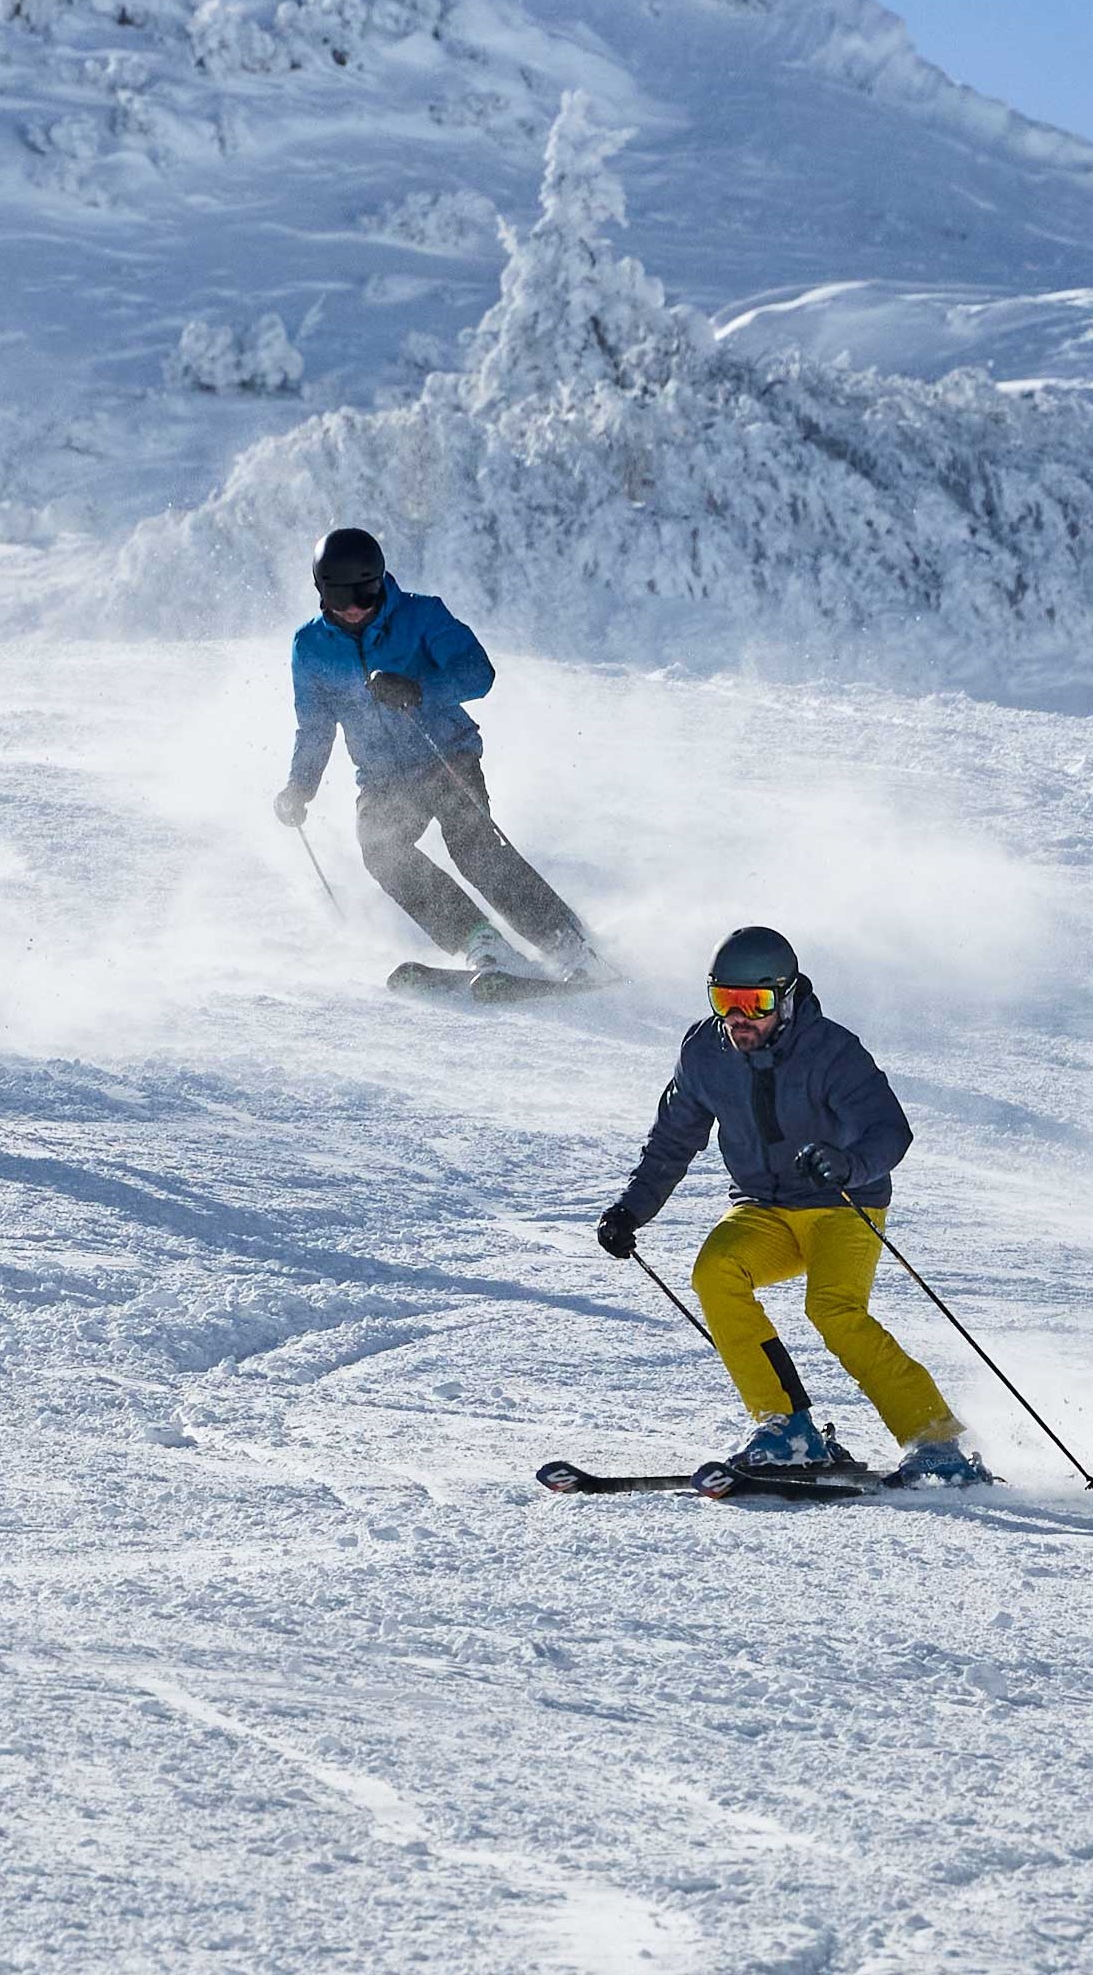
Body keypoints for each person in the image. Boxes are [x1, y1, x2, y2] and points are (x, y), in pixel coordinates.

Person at [592, 926, 991, 1484]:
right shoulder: (705, 1054)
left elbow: (888, 1129)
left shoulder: (830, 1050)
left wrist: (847, 1164)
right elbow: (672, 1141)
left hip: (842, 1205)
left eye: (753, 1003)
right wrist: (631, 1210)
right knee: (715, 1271)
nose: (738, 1018)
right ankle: (787, 1429)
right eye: (724, 1001)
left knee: (833, 1309)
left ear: (786, 997)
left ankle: (937, 1442)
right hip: (764, 1207)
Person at [273, 526, 593, 977]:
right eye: (342, 600)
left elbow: (479, 672)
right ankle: (478, 940)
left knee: (472, 844)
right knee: (381, 850)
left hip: (446, 755)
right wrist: (299, 787)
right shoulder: (310, 648)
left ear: (379, 582)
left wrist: (418, 690)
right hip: (382, 777)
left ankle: (564, 940)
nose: (356, 611)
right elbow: (315, 726)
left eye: (366, 596)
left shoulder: (422, 615)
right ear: (322, 592)